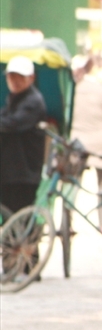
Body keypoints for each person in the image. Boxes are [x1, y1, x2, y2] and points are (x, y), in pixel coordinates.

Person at [70, 55, 102, 230]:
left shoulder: (75, 89)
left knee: (74, 185)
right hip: (99, 142)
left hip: (77, 142)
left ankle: (67, 223)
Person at [1, 56, 47, 214]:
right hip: (9, 173)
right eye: (11, 76)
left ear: (31, 78)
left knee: (18, 217)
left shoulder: (33, 101)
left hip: (23, 175)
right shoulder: (13, 101)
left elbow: (12, 124)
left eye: (20, 77)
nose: (15, 81)